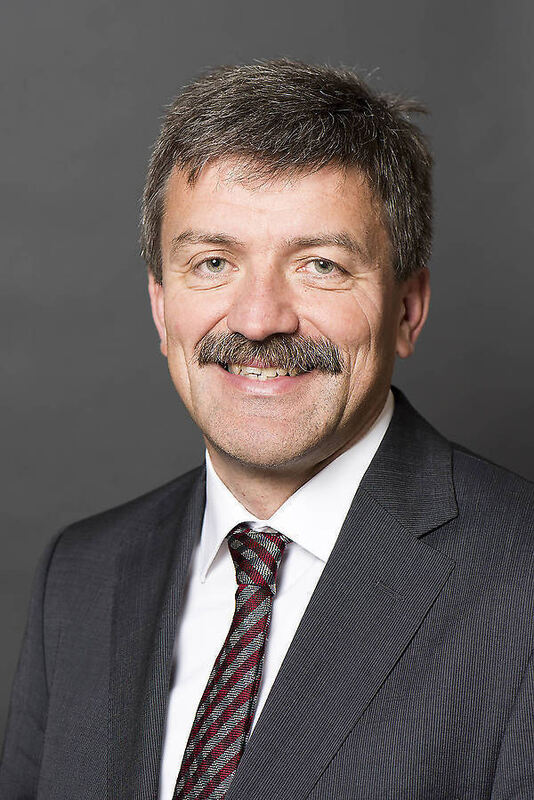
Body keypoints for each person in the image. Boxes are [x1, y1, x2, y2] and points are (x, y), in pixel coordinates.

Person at [1, 59, 533, 800]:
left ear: (407, 311)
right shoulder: (82, 574)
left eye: (321, 265)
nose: (258, 320)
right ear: (161, 306)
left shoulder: (520, 586)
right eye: (213, 262)